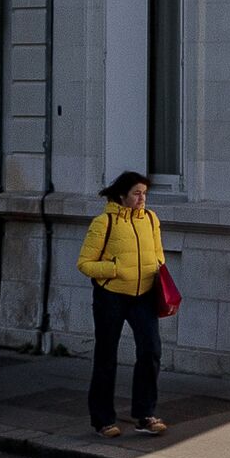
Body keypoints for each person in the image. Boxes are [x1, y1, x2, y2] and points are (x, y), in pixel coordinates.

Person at [77, 171, 170, 437]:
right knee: (106, 355)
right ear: (122, 195)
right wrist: (115, 269)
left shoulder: (151, 220)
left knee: (151, 351)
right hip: (112, 296)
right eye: (136, 193)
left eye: (144, 193)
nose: (142, 198)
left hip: (144, 295)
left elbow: (158, 253)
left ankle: (145, 414)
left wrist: (158, 266)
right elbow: (84, 263)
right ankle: (103, 420)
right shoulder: (103, 222)